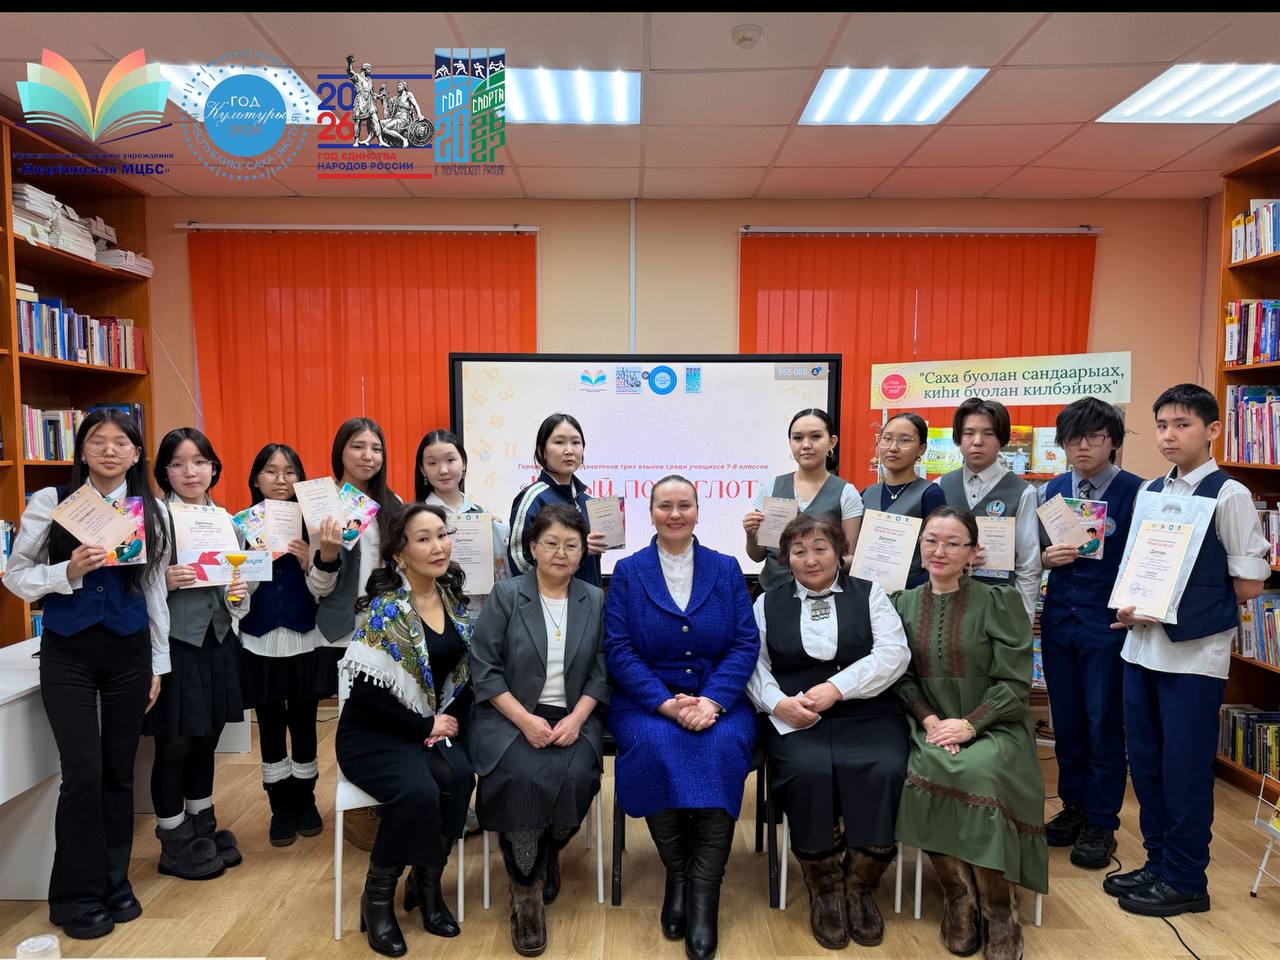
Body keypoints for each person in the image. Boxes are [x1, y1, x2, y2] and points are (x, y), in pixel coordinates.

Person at [2, 410, 169, 940]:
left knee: (119, 771)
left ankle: (114, 881)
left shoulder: (152, 510)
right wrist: (67, 571)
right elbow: (15, 576)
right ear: (82, 450)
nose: (109, 450)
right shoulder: (51, 502)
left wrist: (158, 663)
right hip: (68, 652)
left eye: (122, 442)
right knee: (81, 773)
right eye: (98, 441)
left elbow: (155, 589)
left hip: (129, 652)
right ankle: (74, 895)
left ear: (137, 454)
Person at [1107, 384, 1268, 917]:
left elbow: (1248, 585)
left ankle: (1185, 877)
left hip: (1193, 657)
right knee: (1145, 761)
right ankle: (1157, 863)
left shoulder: (1229, 493)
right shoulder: (1152, 488)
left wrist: (1174, 606)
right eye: (1162, 426)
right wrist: (1134, 603)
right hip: (1140, 648)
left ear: (1212, 430)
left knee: (1184, 767)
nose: (1169, 436)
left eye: (1182, 424)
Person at [604, 475, 759, 960]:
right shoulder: (628, 571)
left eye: (684, 505)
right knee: (654, 746)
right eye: (665, 506)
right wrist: (666, 704)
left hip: (718, 700)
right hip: (647, 701)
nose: (675, 514)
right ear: (650, 512)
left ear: (698, 510)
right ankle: (678, 872)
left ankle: (703, 892)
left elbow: (745, 643)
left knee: (723, 747)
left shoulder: (726, 568)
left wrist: (712, 701)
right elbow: (619, 649)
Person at [747, 513, 910, 949]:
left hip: (867, 711)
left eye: (821, 548)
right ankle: (824, 889)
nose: (811, 559)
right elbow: (753, 663)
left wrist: (837, 688)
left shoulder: (870, 593)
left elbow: (894, 653)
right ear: (786, 559)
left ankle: (861, 886)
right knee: (809, 770)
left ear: (840, 552)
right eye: (798, 551)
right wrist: (778, 703)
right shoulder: (767, 603)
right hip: (795, 715)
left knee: (884, 767)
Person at [892, 506, 1046, 960]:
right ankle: (958, 897)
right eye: (931, 541)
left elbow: (1015, 683)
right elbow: (901, 678)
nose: (939, 551)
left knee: (979, 771)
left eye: (953, 543)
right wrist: (929, 720)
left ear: (974, 551)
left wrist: (969, 724)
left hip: (995, 724)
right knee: (927, 765)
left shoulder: (1000, 601)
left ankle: (999, 909)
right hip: (929, 723)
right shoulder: (901, 604)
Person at [336, 504, 475, 957]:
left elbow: (461, 679)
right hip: (373, 734)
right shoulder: (387, 610)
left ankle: (426, 885)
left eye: (442, 535)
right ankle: (377, 898)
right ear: (400, 553)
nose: (438, 547)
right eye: (423, 539)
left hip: (427, 728)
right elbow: (367, 697)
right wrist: (424, 725)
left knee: (460, 776)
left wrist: (440, 725)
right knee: (418, 791)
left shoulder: (452, 601)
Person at [470, 504, 609, 956]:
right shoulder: (507, 595)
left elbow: (601, 672)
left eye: (571, 545)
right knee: (521, 775)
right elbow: (485, 669)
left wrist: (577, 718)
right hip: (509, 715)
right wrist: (525, 720)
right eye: (551, 543)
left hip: (571, 715)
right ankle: (524, 891)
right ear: (532, 547)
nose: (561, 553)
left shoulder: (595, 599)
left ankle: (548, 849)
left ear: (582, 551)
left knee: (577, 775)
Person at [1035, 399, 1143, 870]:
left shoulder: (1138, 492)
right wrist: (1045, 558)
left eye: (1095, 436)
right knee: (1067, 721)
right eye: (1074, 438)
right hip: (1060, 620)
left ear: (1113, 441)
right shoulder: (1051, 490)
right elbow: (1034, 554)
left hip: (1107, 624)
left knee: (1104, 723)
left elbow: (1147, 558)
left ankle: (1102, 820)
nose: (1083, 446)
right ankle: (1073, 806)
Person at [147, 428, 250, 879]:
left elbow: (238, 590)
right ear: (164, 471)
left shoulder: (227, 520)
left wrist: (239, 593)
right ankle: (173, 839)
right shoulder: (153, 518)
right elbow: (132, 583)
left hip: (219, 638)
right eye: (177, 464)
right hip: (175, 642)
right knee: (176, 741)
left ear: (214, 468)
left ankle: (201, 825)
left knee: (207, 734)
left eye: (200, 462)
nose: (190, 472)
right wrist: (163, 580)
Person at [238, 443, 324, 847]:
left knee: (305, 722)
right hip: (259, 640)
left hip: (305, 637)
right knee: (270, 723)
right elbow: (235, 595)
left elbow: (324, 590)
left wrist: (310, 561)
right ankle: (279, 806)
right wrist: (254, 561)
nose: (280, 479)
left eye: (290, 472)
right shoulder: (241, 526)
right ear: (256, 479)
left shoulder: (313, 527)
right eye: (271, 471)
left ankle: (306, 800)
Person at [309, 417, 402, 698]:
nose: (368, 456)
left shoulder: (393, 504)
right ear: (340, 451)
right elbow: (316, 589)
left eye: (376, 449)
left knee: (383, 711)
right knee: (346, 715)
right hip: (338, 630)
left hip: (383, 629)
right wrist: (326, 557)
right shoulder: (321, 502)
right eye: (357, 446)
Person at [934, 397, 1041, 621]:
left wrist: (1022, 620)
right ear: (958, 438)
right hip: (944, 607)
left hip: (999, 610)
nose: (977, 441)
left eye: (988, 433)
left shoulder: (1023, 492)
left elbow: (1028, 566)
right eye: (969, 433)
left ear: (1002, 438)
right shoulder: (939, 487)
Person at [744, 408, 863, 592]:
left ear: (832, 442)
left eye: (816, 437)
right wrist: (751, 535)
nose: (806, 445)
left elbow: (850, 559)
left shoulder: (846, 493)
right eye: (798, 438)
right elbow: (757, 556)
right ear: (790, 443)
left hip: (822, 596)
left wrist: (819, 560)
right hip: (771, 593)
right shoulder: (771, 487)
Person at [415, 427, 511, 620]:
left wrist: (495, 533)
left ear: (464, 463)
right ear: (422, 469)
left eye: (450, 460)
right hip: (432, 617)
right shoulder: (413, 520)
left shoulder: (483, 518)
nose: (443, 470)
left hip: (481, 620)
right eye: (432, 463)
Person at [508, 413, 606, 587]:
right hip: (550, 600)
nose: (569, 450)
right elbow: (519, 561)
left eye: (576, 442)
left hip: (589, 599)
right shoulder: (533, 498)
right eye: (559, 442)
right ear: (541, 451)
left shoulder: (587, 501)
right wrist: (579, 551)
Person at [862, 412, 946, 588]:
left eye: (905, 440)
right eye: (887, 439)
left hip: (912, 594)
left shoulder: (930, 494)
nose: (893, 447)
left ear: (921, 449)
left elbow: (939, 552)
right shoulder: (866, 494)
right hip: (866, 592)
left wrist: (912, 590)